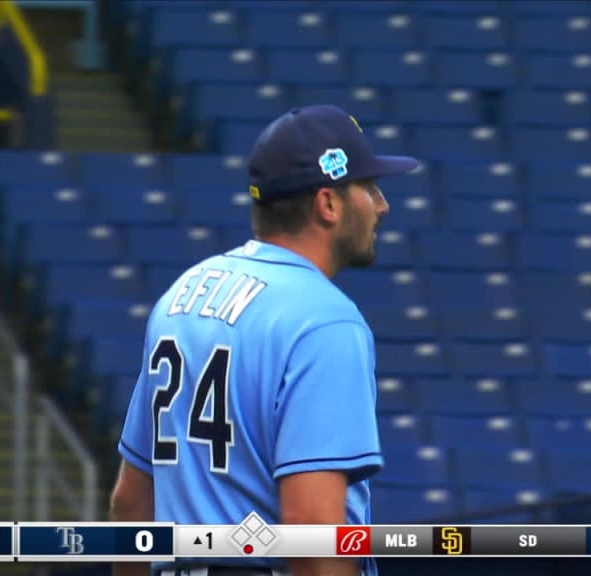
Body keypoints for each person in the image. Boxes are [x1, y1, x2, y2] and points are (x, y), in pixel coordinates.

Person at [109, 104, 421, 576]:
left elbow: (130, 507)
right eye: (369, 187)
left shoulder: (183, 295)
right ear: (328, 204)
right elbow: (310, 530)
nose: (381, 205)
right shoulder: (325, 321)